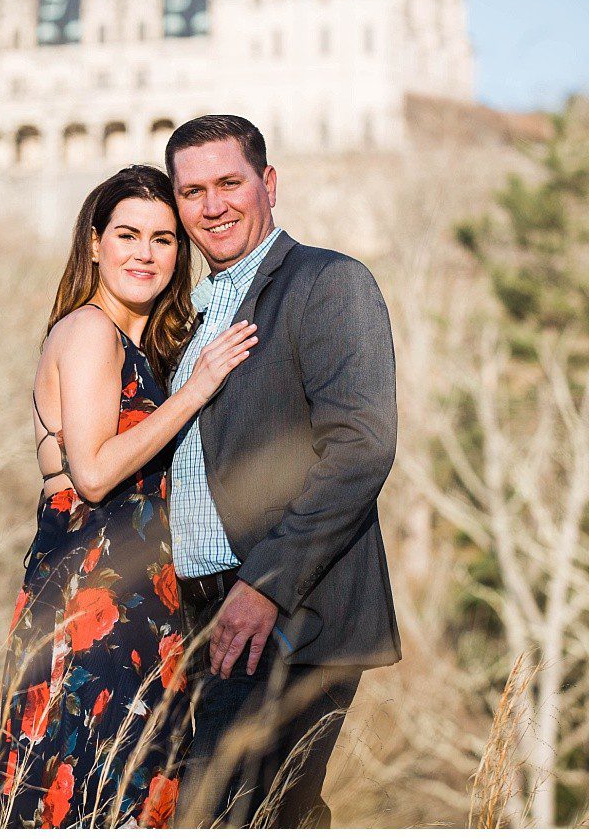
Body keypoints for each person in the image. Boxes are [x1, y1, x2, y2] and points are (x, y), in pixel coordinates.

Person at [0, 165, 259, 828]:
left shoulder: (143, 348)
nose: (145, 252)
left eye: (164, 239)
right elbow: (92, 472)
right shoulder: (88, 331)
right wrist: (196, 391)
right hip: (92, 611)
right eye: (128, 234)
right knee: (89, 804)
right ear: (94, 242)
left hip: (145, 610)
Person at [163, 115, 402, 828]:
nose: (213, 206)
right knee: (273, 816)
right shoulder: (194, 312)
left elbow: (361, 445)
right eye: (193, 191)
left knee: (225, 816)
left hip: (288, 611)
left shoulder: (329, 282)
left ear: (268, 184)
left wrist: (264, 585)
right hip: (202, 617)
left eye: (230, 183)